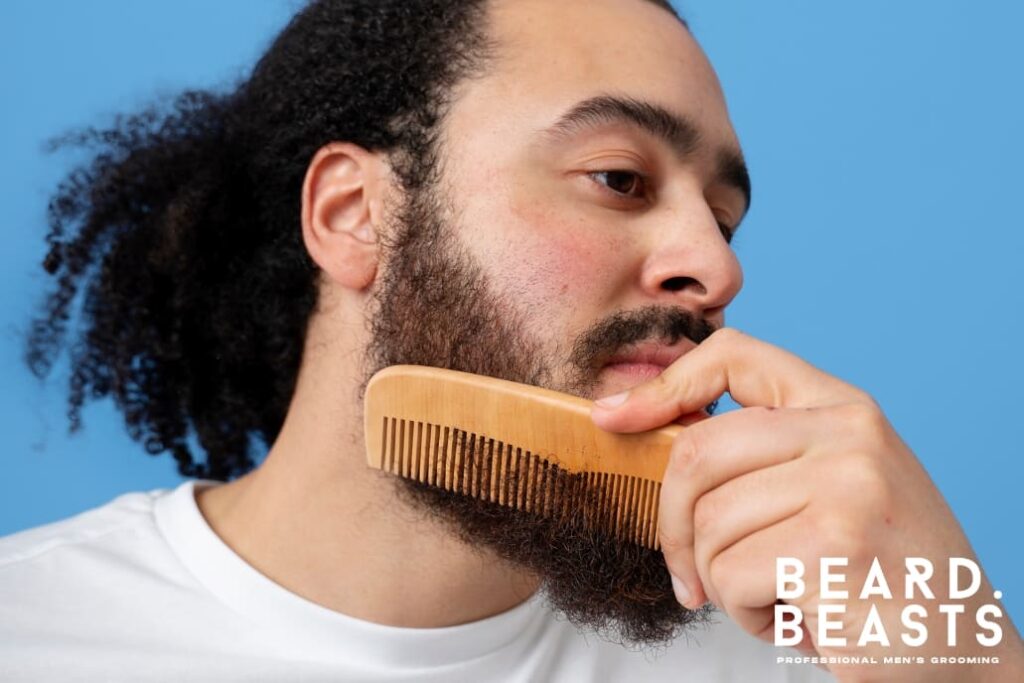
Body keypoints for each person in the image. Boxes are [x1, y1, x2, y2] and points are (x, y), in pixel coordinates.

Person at [1, 0, 1020, 680]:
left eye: (724, 217)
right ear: (356, 213)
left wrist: (967, 652)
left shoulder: (813, 650)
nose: (717, 269)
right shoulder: (30, 633)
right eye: (620, 179)